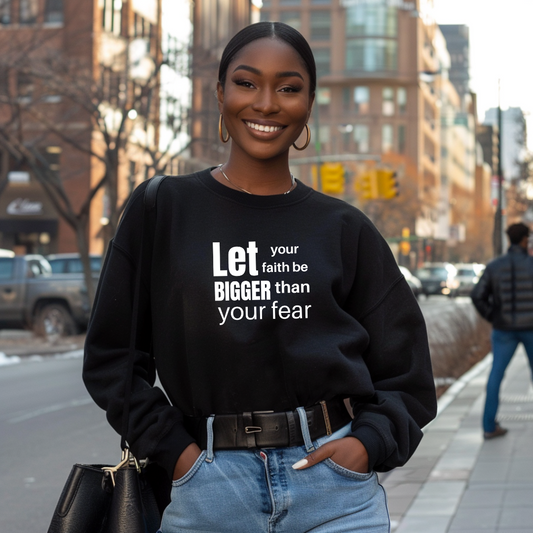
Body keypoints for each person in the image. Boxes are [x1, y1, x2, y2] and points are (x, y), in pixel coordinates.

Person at [83, 21, 437, 533]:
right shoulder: (162, 209)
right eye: (247, 83)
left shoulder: (345, 228)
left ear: (309, 102)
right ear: (220, 93)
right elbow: (112, 357)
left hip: (334, 490)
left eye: (288, 88)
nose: (266, 103)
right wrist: (178, 455)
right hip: (207, 488)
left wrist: (366, 446)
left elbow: (408, 374)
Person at [471, 222, 533, 439]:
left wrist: (493, 316)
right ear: (525, 239)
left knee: (496, 375)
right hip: (530, 329)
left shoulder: (495, 266)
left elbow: (477, 295)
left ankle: (489, 427)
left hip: (503, 329)